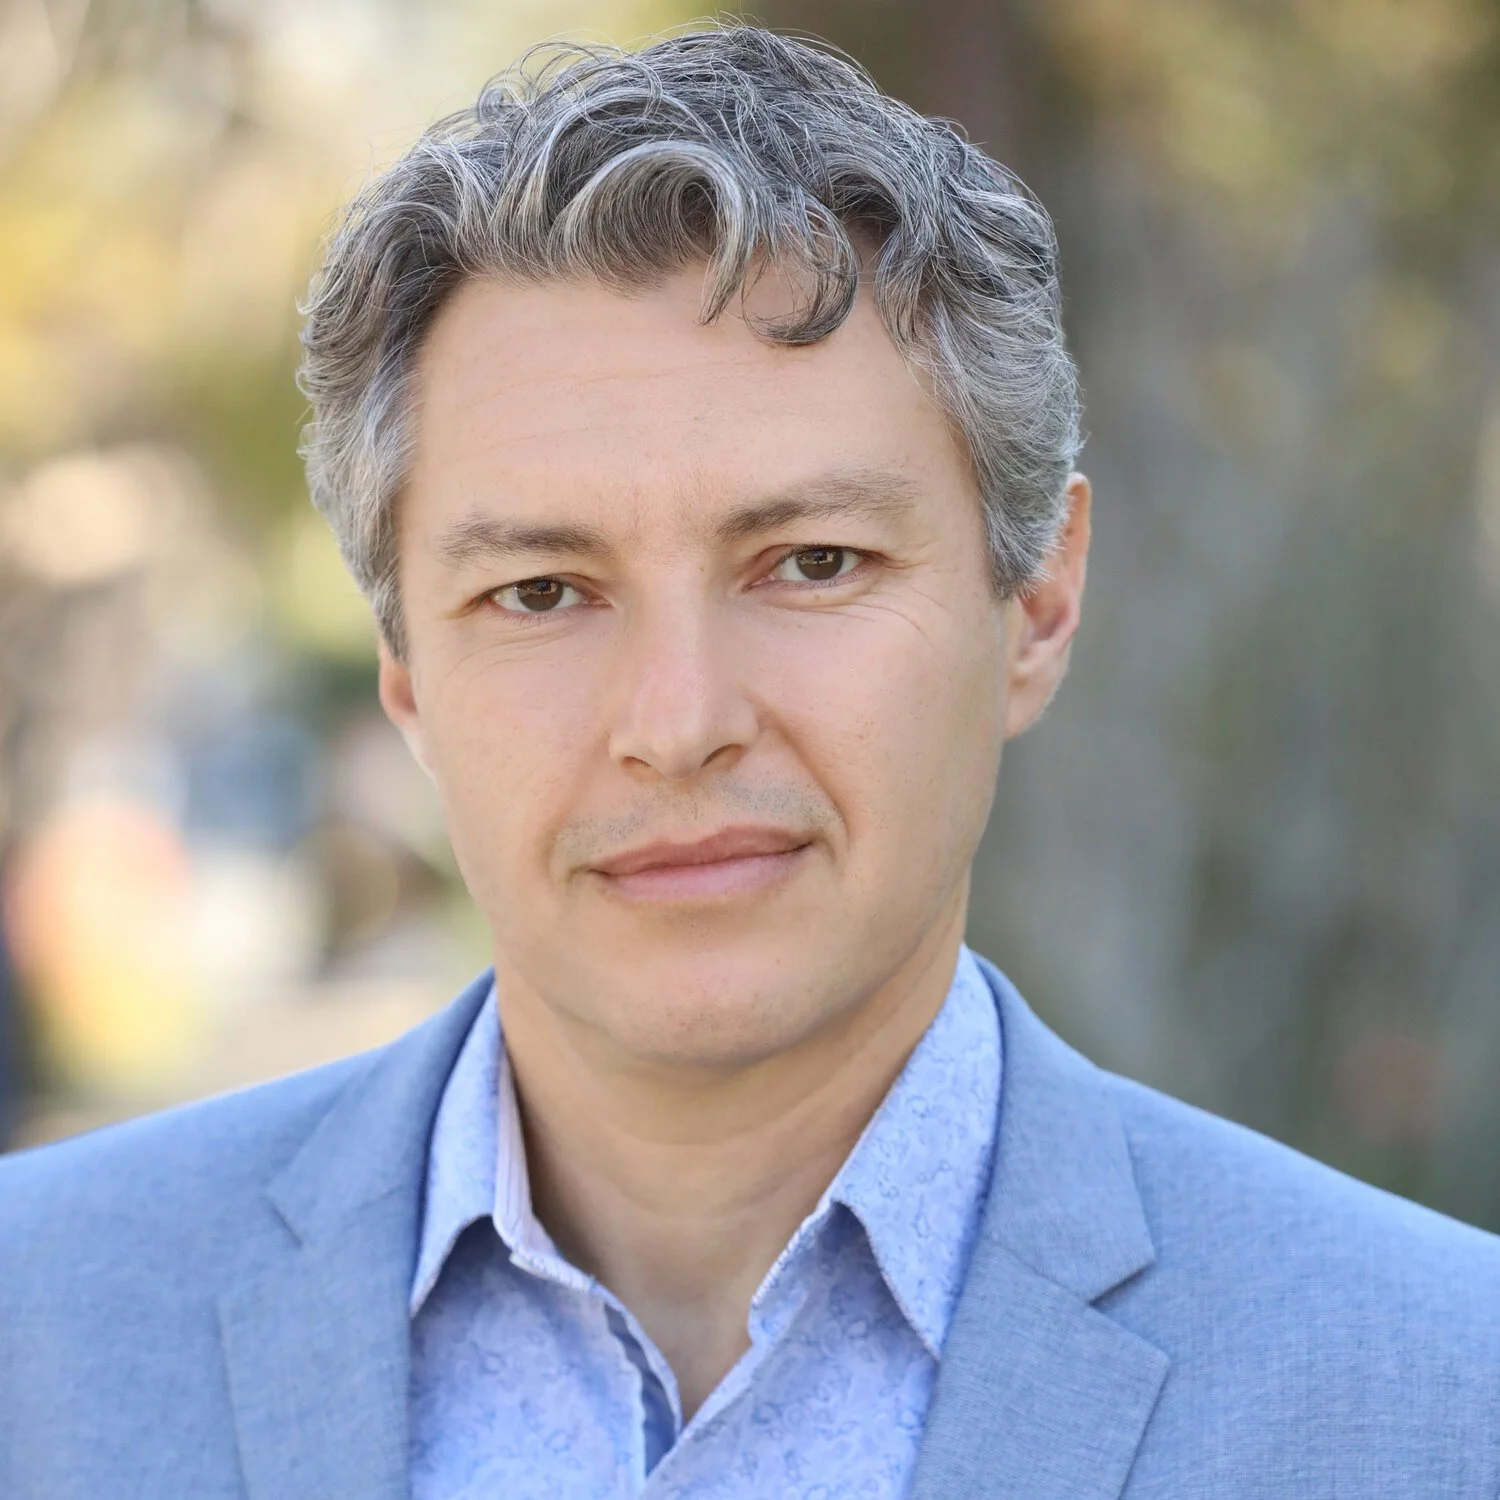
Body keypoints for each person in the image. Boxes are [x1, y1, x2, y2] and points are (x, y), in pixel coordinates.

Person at [3, 24, 1498, 1500]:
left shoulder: (1441, 1393)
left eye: (811, 562)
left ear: (1036, 603)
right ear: (405, 673)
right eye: (540, 591)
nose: (677, 716)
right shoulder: (35, 1333)